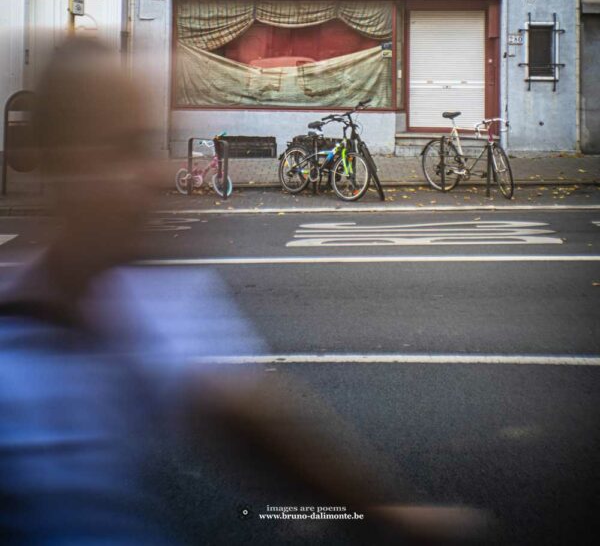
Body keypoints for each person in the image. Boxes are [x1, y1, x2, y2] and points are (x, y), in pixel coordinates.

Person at [0, 38, 488, 545]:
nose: (153, 176)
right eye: (119, 150)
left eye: (145, 146)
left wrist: (383, 519)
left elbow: (255, 425)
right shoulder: (14, 354)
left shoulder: (150, 298)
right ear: (54, 159)